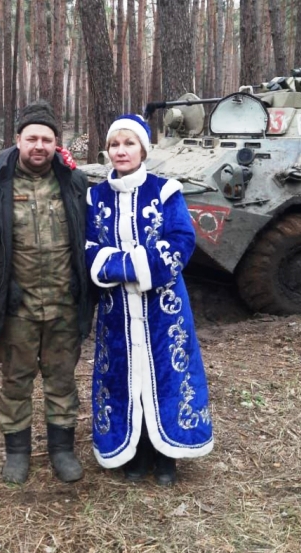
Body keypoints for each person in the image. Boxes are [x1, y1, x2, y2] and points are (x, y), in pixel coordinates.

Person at [85, 114, 213, 486]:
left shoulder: (166, 191)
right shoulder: (95, 197)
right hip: (117, 309)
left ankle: (167, 454)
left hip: (164, 307)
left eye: (129, 144)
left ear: (143, 149)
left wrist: (127, 265)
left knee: (168, 374)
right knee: (122, 377)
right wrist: (122, 264)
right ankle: (136, 450)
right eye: (114, 144)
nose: (121, 151)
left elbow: (181, 241)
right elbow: (90, 248)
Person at [0, 101, 93, 485]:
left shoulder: (74, 183)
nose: (39, 146)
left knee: (62, 381)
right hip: (16, 307)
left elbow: (89, 237)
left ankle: (62, 449)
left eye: (47, 139)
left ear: (57, 143)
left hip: (63, 303)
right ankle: (17, 452)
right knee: (16, 381)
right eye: (32, 138)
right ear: (18, 139)